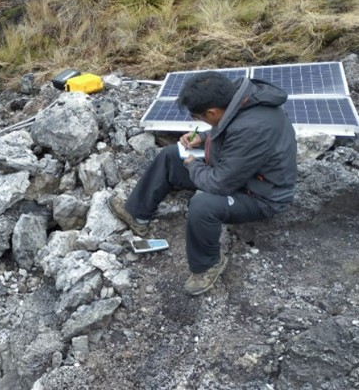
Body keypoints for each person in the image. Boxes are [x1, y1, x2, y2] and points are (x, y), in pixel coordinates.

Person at [109, 71, 297, 296]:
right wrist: (206, 138)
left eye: (199, 117)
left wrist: (192, 164)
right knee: (170, 155)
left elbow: (219, 184)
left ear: (212, 111)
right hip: (240, 172)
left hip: (261, 195)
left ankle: (208, 265)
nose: (198, 121)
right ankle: (138, 214)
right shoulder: (239, 100)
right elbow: (232, 134)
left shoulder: (255, 127)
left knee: (203, 205)